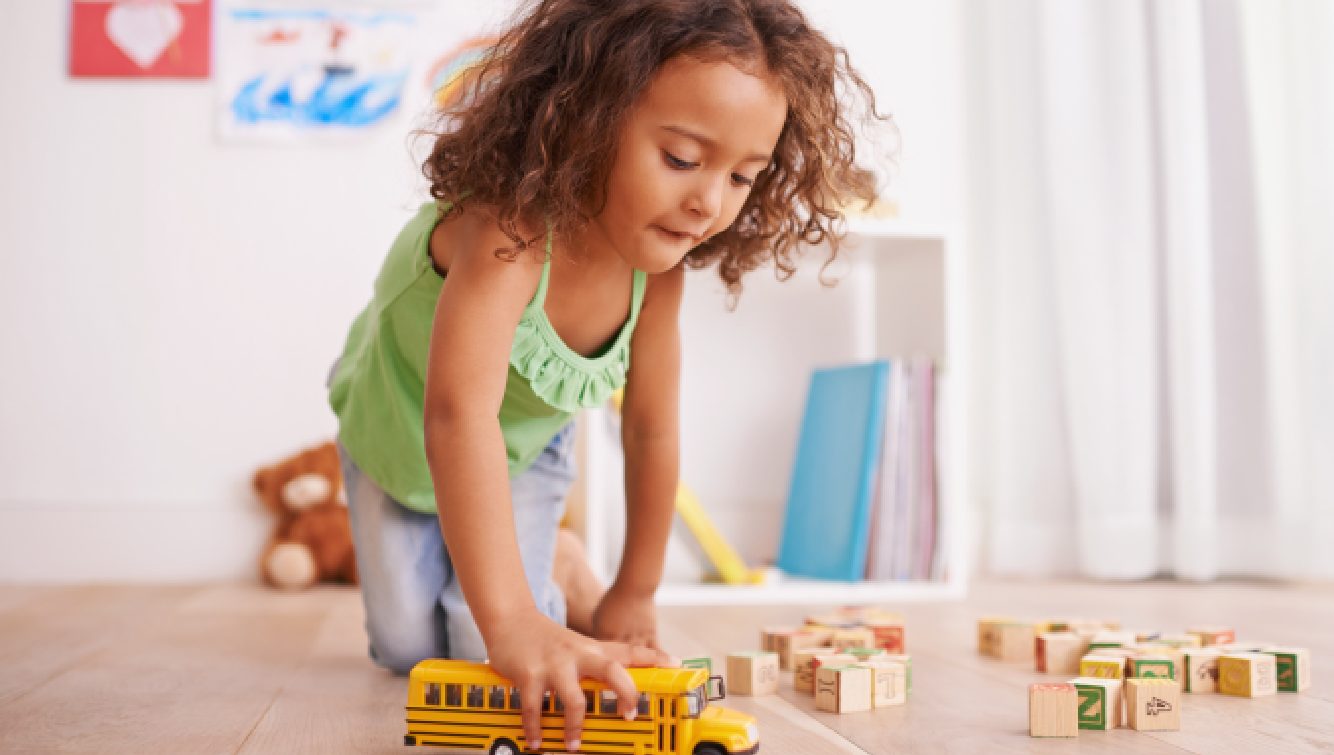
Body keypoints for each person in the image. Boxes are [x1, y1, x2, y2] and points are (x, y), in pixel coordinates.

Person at [328, 0, 886, 750]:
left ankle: (563, 564)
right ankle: (539, 574)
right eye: (682, 159)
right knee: (405, 645)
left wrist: (635, 589)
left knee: (471, 649)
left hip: (524, 449)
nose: (708, 203)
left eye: (742, 177)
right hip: (399, 422)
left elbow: (650, 428)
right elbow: (458, 416)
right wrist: (515, 618)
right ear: (588, 120)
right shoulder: (509, 231)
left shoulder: (659, 277)